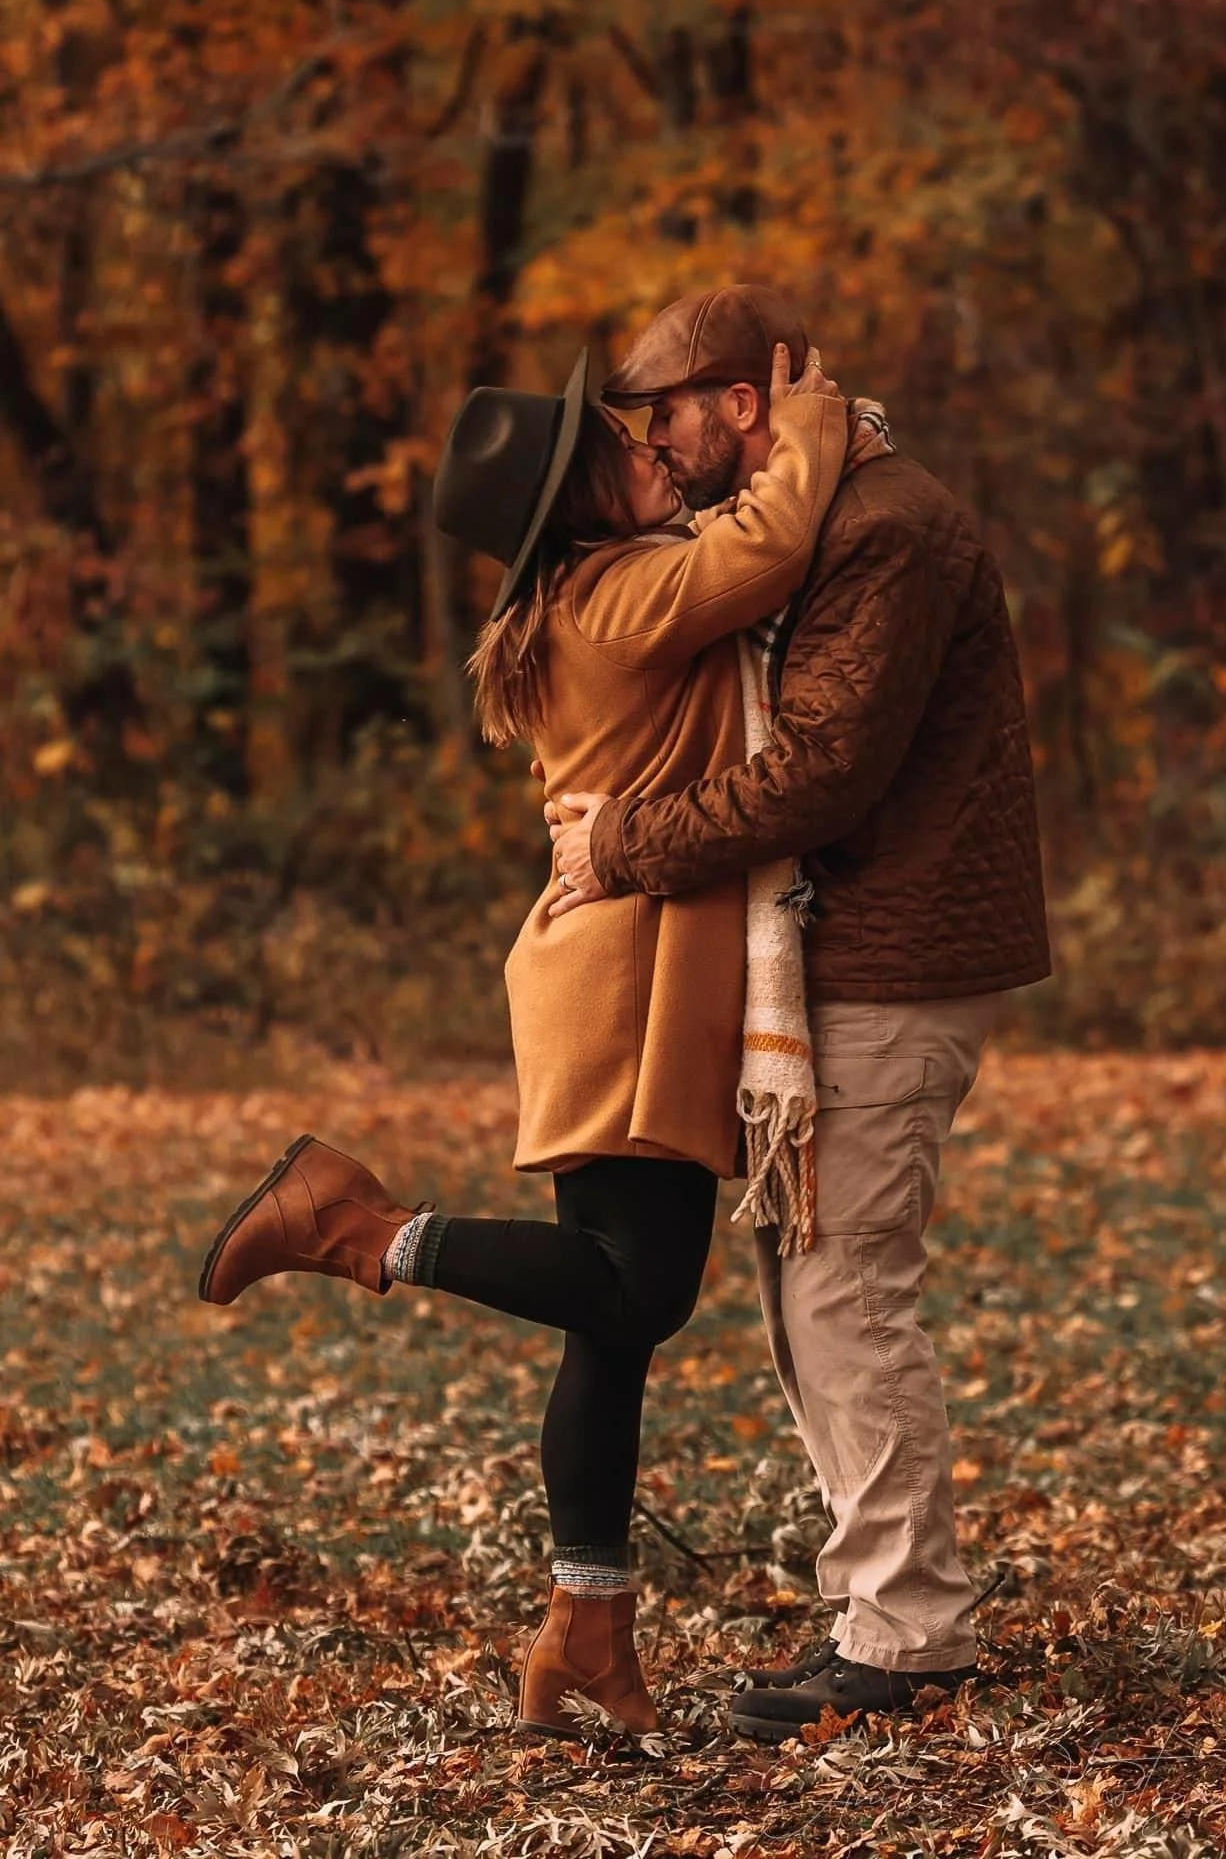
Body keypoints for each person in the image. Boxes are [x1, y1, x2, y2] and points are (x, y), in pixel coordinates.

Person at [197, 329, 848, 1739]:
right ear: (581, 506)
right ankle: (359, 1227)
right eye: (617, 449)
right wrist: (804, 416)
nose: (644, 446)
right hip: (626, 973)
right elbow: (775, 544)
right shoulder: (620, 597)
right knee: (637, 1292)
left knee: (608, 1327)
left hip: (616, 961)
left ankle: (586, 1635)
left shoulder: (590, 593)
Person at [545, 283, 1053, 1742]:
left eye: (667, 412)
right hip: (851, 956)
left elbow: (824, 770)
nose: (657, 441)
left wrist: (622, 846)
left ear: (744, 402)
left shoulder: (882, 529)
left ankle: (909, 1636)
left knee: (840, 1297)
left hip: (895, 958)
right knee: (809, 1294)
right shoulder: (824, 520)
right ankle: (884, 1611)